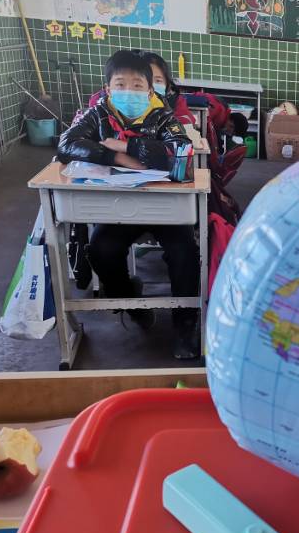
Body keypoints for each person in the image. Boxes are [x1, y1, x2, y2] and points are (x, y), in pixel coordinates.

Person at [57, 50, 200, 360]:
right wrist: (115, 158)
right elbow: (66, 144)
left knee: (184, 252)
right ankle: (133, 306)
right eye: (120, 84)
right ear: (108, 89)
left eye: (137, 86)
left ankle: (186, 324)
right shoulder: (98, 115)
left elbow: (181, 151)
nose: (128, 92)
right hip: (118, 205)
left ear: (150, 91)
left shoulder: (162, 116)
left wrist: (128, 145)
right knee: (101, 250)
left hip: (165, 207)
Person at [88, 50, 194, 126]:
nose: (151, 86)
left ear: (167, 84)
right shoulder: (102, 102)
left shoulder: (173, 101)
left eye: (158, 81)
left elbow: (185, 128)